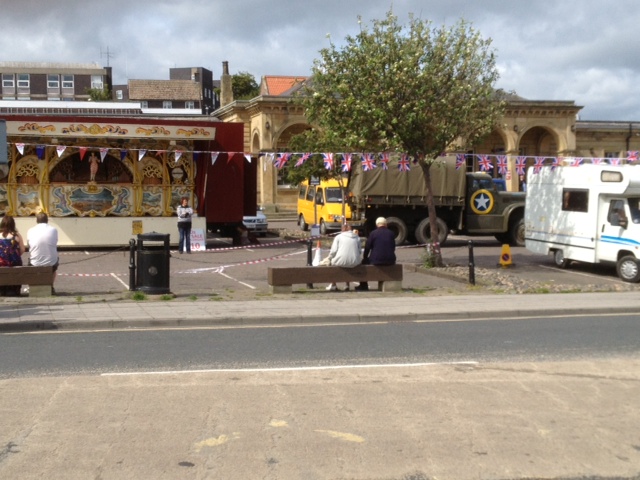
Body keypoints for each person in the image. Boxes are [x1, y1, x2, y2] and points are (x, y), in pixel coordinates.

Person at [355, 217, 396, 291]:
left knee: (363, 263)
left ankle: (363, 285)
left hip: (376, 260)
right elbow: (393, 247)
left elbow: (367, 247)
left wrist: (365, 257)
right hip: (390, 260)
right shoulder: (391, 233)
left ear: (377, 225)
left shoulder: (373, 233)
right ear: (386, 224)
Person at [27, 212, 59, 292]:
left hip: (35, 262)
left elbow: (29, 245)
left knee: (31, 263)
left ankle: (33, 286)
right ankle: (51, 286)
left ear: (36, 220)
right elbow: (55, 242)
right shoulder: (53, 230)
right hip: (51, 262)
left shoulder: (30, 230)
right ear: (47, 220)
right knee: (54, 269)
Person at [324, 224, 361, 291]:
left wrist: (329, 258)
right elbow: (359, 251)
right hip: (355, 261)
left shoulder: (338, 237)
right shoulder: (357, 237)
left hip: (341, 261)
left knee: (333, 263)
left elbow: (333, 251)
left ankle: (333, 285)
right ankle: (347, 285)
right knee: (348, 264)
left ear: (343, 229)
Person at [0, 215, 26, 296]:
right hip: (14, 262)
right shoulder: (16, 235)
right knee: (17, 265)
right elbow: (22, 249)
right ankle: (14, 290)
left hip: (1, 263)